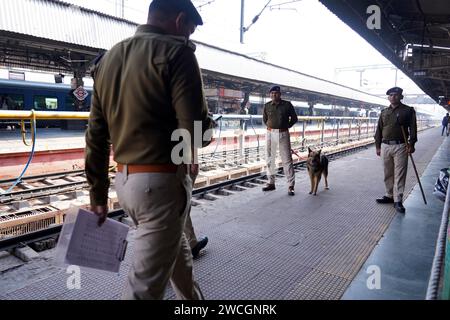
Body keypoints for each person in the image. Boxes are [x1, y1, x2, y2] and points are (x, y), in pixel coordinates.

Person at [85, 0, 213, 300]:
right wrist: (192, 152)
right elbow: (193, 127)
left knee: (177, 253)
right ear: (180, 20)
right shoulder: (178, 53)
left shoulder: (109, 59)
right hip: (161, 185)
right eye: (190, 31)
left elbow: (96, 135)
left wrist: (98, 195)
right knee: (142, 290)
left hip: (125, 184)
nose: (189, 38)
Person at [374, 87, 417, 214]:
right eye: (391, 95)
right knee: (387, 172)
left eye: (396, 95)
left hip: (401, 146)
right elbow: (379, 130)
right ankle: (389, 195)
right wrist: (377, 146)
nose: (393, 97)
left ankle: (398, 200)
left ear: (401, 97)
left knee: (400, 173)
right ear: (388, 97)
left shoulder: (408, 111)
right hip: (385, 146)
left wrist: (412, 143)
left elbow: (413, 128)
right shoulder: (384, 112)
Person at [262, 85, 298, 196]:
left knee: (287, 160)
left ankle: (291, 186)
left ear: (280, 94)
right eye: (272, 93)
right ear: (270, 94)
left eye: (276, 93)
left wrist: (286, 126)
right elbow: (265, 119)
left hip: (283, 134)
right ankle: (271, 183)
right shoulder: (267, 106)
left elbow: (294, 118)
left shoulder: (287, 105)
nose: (274, 95)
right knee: (270, 158)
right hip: (270, 133)